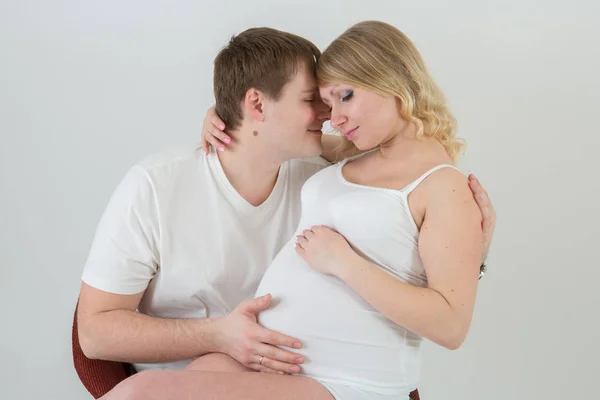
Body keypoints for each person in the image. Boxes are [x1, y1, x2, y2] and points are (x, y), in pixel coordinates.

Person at [100, 21, 495, 400]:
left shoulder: (443, 186)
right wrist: (223, 111)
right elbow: (266, 126)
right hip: (277, 359)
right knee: (184, 378)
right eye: (323, 101)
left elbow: (451, 326)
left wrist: (345, 264)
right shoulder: (355, 154)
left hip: (343, 378)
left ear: (391, 81)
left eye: (346, 95)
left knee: (141, 392)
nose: (334, 118)